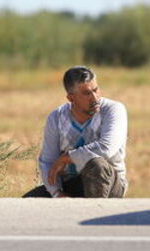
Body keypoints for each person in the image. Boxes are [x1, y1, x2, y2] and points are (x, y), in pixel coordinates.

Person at [24, 65, 128, 198]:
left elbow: (107, 148)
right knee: (28, 202)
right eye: (87, 93)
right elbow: (48, 162)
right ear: (71, 98)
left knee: (97, 165)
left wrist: (67, 158)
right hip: (71, 184)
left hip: (109, 184)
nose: (95, 98)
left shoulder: (113, 110)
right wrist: (57, 193)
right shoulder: (56, 117)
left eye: (96, 90)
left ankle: (96, 213)